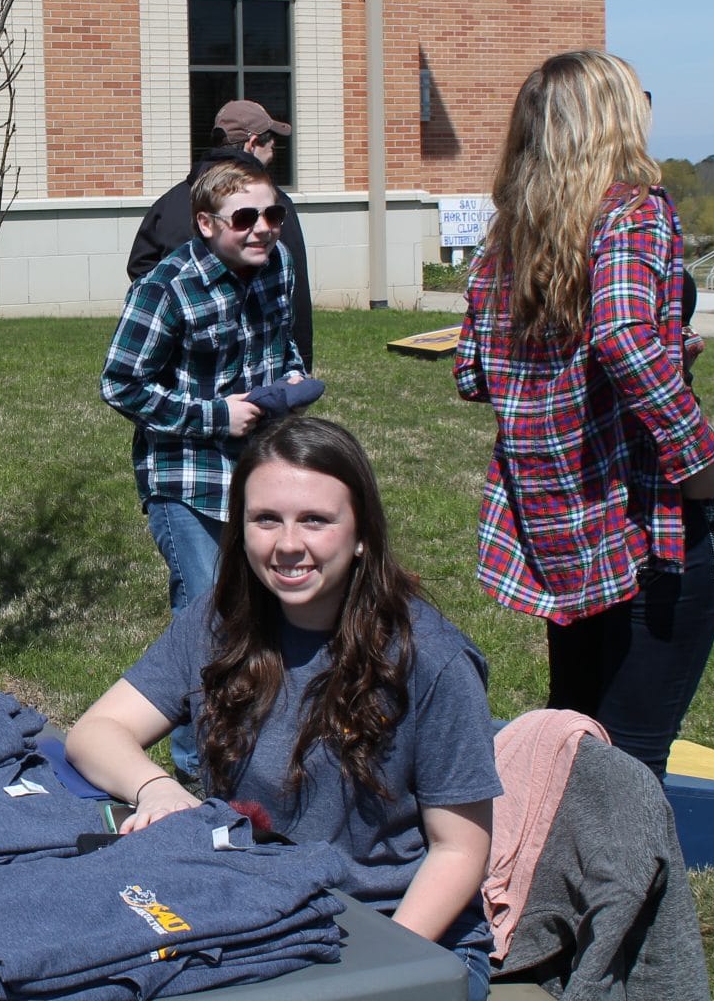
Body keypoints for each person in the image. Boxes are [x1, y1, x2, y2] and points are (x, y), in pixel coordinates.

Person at [66, 417, 501, 1001]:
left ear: (362, 532)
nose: (288, 544)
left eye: (315, 520)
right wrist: (156, 789)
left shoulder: (433, 661)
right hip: (256, 912)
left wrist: (383, 975)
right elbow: (97, 730)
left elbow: (459, 851)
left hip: (401, 931)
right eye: (266, 519)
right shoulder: (220, 623)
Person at [455, 49, 714, 780]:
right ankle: (625, 896)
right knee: (632, 765)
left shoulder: (508, 236)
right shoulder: (635, 214)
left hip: (560, 529)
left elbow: (475, 371)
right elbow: (624, 337)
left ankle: (541, 889)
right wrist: (701, 462)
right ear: (612, 118)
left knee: (571, 746)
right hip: (648, 518)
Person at [101, 155, 305, 781]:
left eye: (272, 214)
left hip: (255, 475)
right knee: (209, 617)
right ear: (206, 223)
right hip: (185, 479)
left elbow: (280, 344)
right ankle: (199, 770)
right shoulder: (167, 287)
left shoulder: (276, 269)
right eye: (245, 217)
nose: (263, 228)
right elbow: (120, 384)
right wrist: (216, 416)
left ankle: (257, 744)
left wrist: (290, 377)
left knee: (264, 610)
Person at [128, 99, 314, 371]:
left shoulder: (168, 203)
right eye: (270, 143)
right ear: (252, 143)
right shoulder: (274, 208)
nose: (260, 227)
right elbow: (296, 294)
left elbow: (139, 266)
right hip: (242, 370)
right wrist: (304, 363)